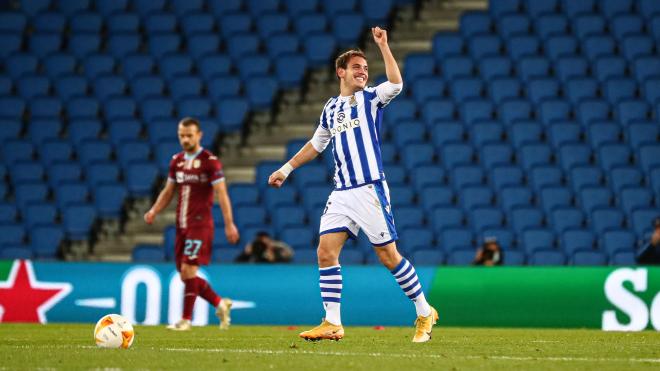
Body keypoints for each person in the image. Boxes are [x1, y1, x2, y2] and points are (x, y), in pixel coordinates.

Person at [268, 27, 438, 343]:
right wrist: (286, 169)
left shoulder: (370, 98)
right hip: (342, 192)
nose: (363, 72)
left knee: (389, 257)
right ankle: (332, 322)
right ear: (340, 72)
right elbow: (316, 144)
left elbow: (397, 84)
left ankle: (424, 310)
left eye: (365, 68)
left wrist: (384, 46)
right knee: (325, 251)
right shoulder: (331, 108)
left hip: (369, 188)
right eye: (356, 67)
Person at [144, 117, 240, 331]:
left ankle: (185, 320)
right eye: (181, 135)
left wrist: (229, 223)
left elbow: (222, 194)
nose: (185, 139)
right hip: (182, 225)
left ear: (199, 135)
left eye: (189, 135)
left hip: (200, 224)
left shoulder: (210, 161)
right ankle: (220, 303)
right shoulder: (176, 160)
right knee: (185, 274)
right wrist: (154, 210)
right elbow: (168, 191)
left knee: (188, 270)